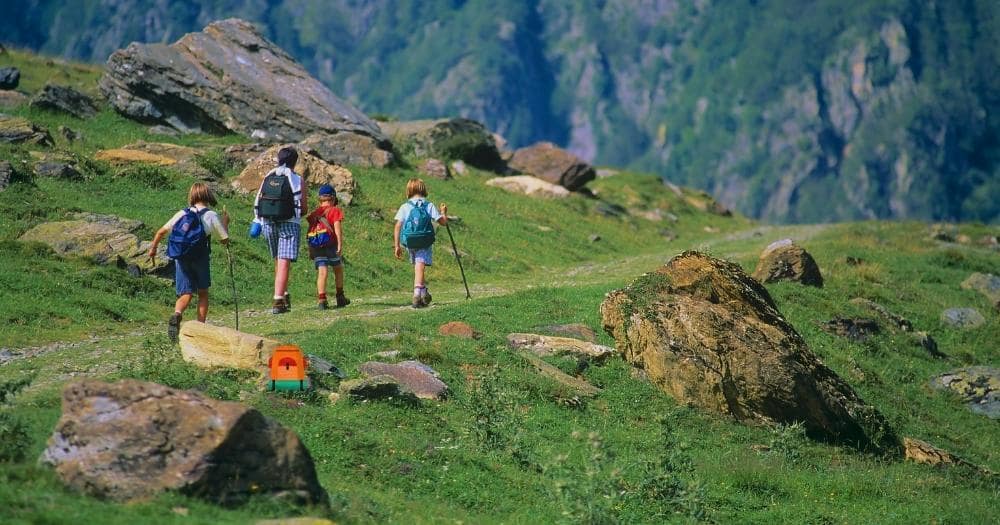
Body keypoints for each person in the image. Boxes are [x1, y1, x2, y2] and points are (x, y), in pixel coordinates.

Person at [148, 182, 230, 342]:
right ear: (208, 196)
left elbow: (161, 231)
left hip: (182, 257)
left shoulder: (182, 213)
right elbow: (225, 240)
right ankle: (200, 327)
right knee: (203, 293)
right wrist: (226, 221)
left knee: (186, 293)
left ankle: (177, 314)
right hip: (200, 257)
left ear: (192, 196)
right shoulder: (211, 215)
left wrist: (153, 249)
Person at [252, 147, 306, 314]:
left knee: (278, 259)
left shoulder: (269, 177)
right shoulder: (297, 179)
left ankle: (284, 293)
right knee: (284, 260)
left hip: (268, 221)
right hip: (289, 222)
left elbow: (260, 199)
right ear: (295, 162)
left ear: (278, 159)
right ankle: (277, 300)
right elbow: (303, 208)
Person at [393, 178, 448, 308]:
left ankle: (424, 293)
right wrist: (443, 213)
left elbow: (397, 226)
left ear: (409, 191)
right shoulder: (428, 205)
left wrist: (397, 245)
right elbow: (443, 222)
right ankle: (417, 293)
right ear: (424, 190)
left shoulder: (405, 206)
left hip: (410, 241)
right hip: (424, 241)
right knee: (420, 265)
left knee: (418, 267)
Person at [306, 183, 350, 309]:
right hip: (331, 246)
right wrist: (340, 245)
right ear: (333, 198)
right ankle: (340, 297)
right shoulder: (335, 210)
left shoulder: (314, 213)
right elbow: (337, 229)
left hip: (317, 246)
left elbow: (310, 231)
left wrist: (310, 249)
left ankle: (321, 300)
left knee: (322, 271)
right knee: (338, 268)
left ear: (320, 199)